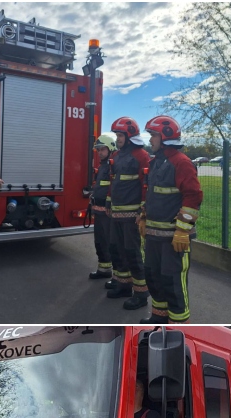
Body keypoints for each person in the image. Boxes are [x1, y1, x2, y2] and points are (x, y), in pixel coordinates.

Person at [141, 115, 203, 324]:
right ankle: (159, 318)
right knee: (153, 277)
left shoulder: (181, 162)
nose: (150, 141)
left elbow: (193, 196)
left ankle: (178, 325)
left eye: (153, 136)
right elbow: (151, 194)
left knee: (173, 282)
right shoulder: (157, 162)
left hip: (173, 239)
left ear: (166, 137)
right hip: (154, 236)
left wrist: (183, 230)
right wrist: (143, 216)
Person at [105, 116, 153, 309]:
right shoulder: (116, 156)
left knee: (132, 253)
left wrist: (142, 210)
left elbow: (146, 185)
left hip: (131, 214)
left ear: (130, 135)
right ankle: (123, 285)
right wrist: (109, 202)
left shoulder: (141, 156)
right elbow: (113, 181)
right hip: (116, 213)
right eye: (116, 135)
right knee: (116, 249)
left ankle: (141, 294)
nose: (118, 139)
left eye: (120, 135)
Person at [86, 133, 118, 285]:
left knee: (110, 242)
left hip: (107, 213)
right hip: (99, 211)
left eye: (102, 149)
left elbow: (113, 188)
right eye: (98, 150)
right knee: (100, 241)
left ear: (111, 148)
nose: (99, 153)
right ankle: (104, 270)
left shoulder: (113, 165)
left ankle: (118, 277)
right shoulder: (103, 165)